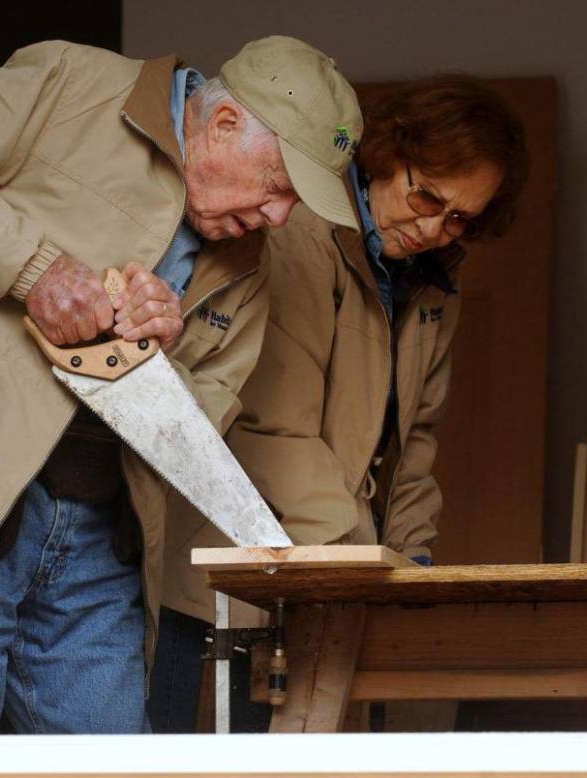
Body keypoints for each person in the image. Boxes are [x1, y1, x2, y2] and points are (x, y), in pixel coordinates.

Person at [0, 37, 363, 734]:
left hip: (96, 534)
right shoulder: (75, 84)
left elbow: (201, 412)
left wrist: (155, 358)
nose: (278, 218)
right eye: (278, 186)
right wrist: (37, 269)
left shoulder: (249, 264)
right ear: (225, 124)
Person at [151, 74, 530, 733]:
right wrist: (366, 568)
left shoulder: (434, 286)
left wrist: (413, 576)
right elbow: (272, 431)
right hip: (236, 571)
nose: (435, 228)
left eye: (461, 218)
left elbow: (413, 445)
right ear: (389, 153)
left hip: (330, 567)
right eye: (426, 195)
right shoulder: (301, 233)